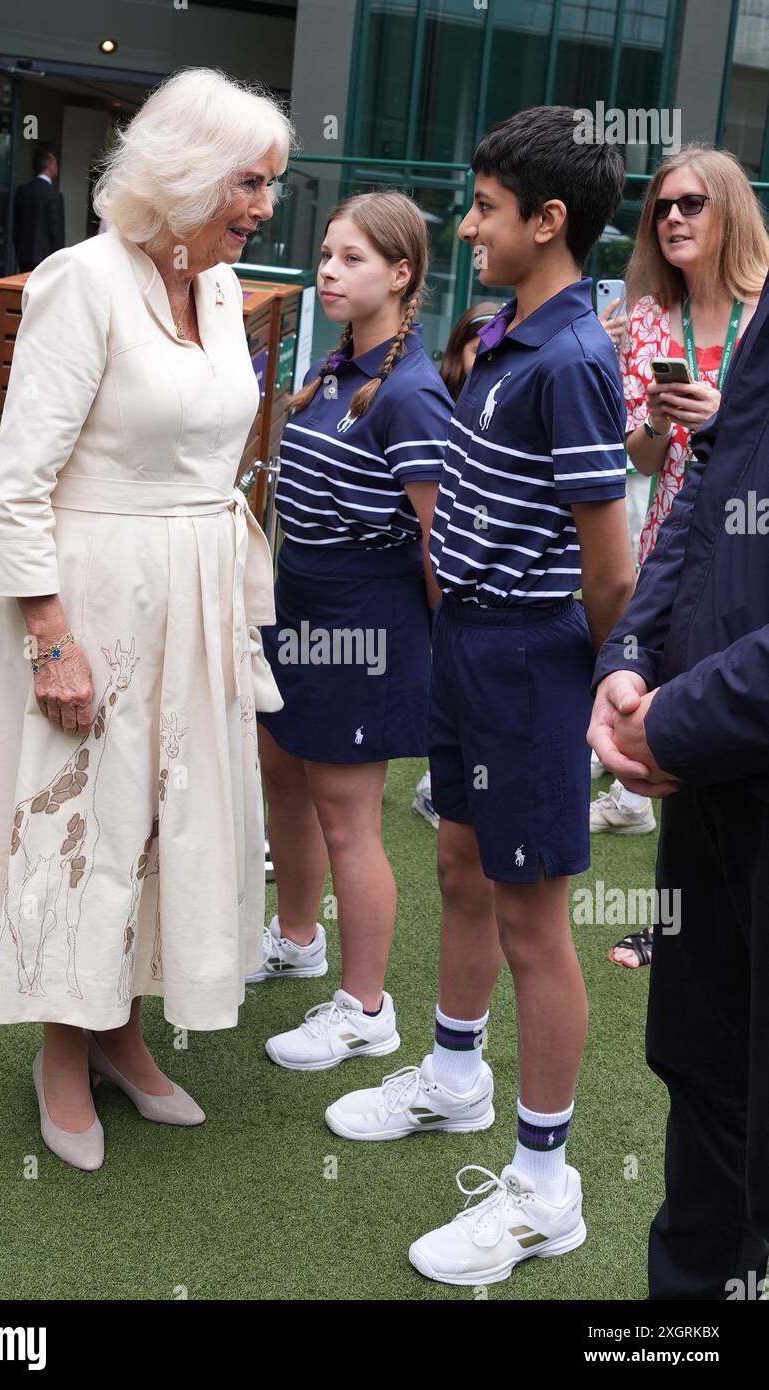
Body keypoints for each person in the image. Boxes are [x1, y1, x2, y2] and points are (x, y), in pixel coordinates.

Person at [0, 68, 295, 1171]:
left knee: (159, 823)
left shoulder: (226, 291)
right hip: (90, 600)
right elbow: (16, 482)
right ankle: (58, 1048)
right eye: (249, 182)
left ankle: (123, 1032)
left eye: (271, 184)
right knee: (78, 818)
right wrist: (50, 637)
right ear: (182, 174)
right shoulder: (79, 282)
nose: (264, 207)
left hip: (195, 597)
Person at [328, 105, 635, 1288]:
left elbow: (608, 567)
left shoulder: (573, 359)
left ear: (547, 221)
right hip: (468, 647)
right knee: (458, 862)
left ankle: (546, 1187)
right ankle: (453, 1079)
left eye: (487, 209)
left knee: (532, 921)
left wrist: (598, 700)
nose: (466, 228)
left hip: (528, 663)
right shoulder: (508, 333)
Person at [588, 262, 769, 1300]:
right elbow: (702, 486)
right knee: (701, 1076)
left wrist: (680, 720)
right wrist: (633, 656)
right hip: (709, 785)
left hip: (721, 748)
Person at [248, 193, 453, 1072]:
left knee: (348, 817)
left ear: (402, 275)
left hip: (363, 621)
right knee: (282, 778)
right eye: (326, 255)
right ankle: (299, 938)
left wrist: (442, 656)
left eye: (353, 259)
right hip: (297, 604)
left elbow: (440, 546)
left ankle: (366, 1009)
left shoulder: (412, 392)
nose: (328, 270)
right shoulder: (336, 367)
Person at [590, 147, 767, 969]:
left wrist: (726, 413)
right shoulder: (649, 318)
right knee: (668, 713)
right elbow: (642, 457)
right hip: (674, 531)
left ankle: (693, 925)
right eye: (661, 207)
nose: (672, 219)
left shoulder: (761, 311)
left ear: (729, 210)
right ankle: (673, 919)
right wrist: (665, 423)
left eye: (692, 204)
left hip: (750, 549)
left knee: (725, 716)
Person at [412, 300, 502, 831]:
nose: (488, 357)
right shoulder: (439, 406)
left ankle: (450, 783)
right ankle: (438, 781)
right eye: (477, 346)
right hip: (438, 572)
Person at [13, 149, 66, 273]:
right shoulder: (54, 195)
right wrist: (59, 257)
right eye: (56, 163)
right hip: (45, 257)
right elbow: (56, 230)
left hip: (23, 254)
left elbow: (16, 225)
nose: (57, 167)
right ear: (50, 167)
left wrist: (18, 249)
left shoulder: (22, 190)